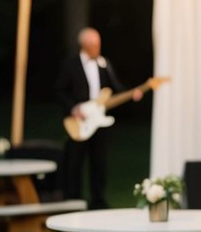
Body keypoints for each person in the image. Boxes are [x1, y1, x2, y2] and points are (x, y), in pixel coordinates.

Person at [56, 27, 142, 209]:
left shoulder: (103, 63)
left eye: (98, 44)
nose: (97, 48)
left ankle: (98, 201)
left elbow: (115, 87)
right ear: (84, 46)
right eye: (93, 45)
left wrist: (132, 93)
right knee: (75, 163)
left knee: (99, 163)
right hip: (80, 121)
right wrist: (73, 108)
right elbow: (60, 90)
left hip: (100, 121)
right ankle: (73, 201)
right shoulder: (70, 64)